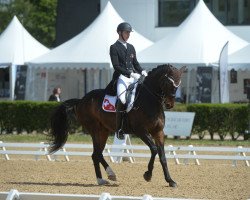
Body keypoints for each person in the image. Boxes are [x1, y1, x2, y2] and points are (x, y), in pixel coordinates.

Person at [109, 22, 147, 140]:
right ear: (120, 32)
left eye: (129, 33)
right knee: (122, 99)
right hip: (122, 77)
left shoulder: (131, 47)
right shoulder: (114, 47)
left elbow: (135, 63)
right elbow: (116, 66)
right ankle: (119, 129)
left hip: (134, 76)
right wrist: (130, 73)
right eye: (126, 32)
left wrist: (142, 71)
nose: (128, 34)